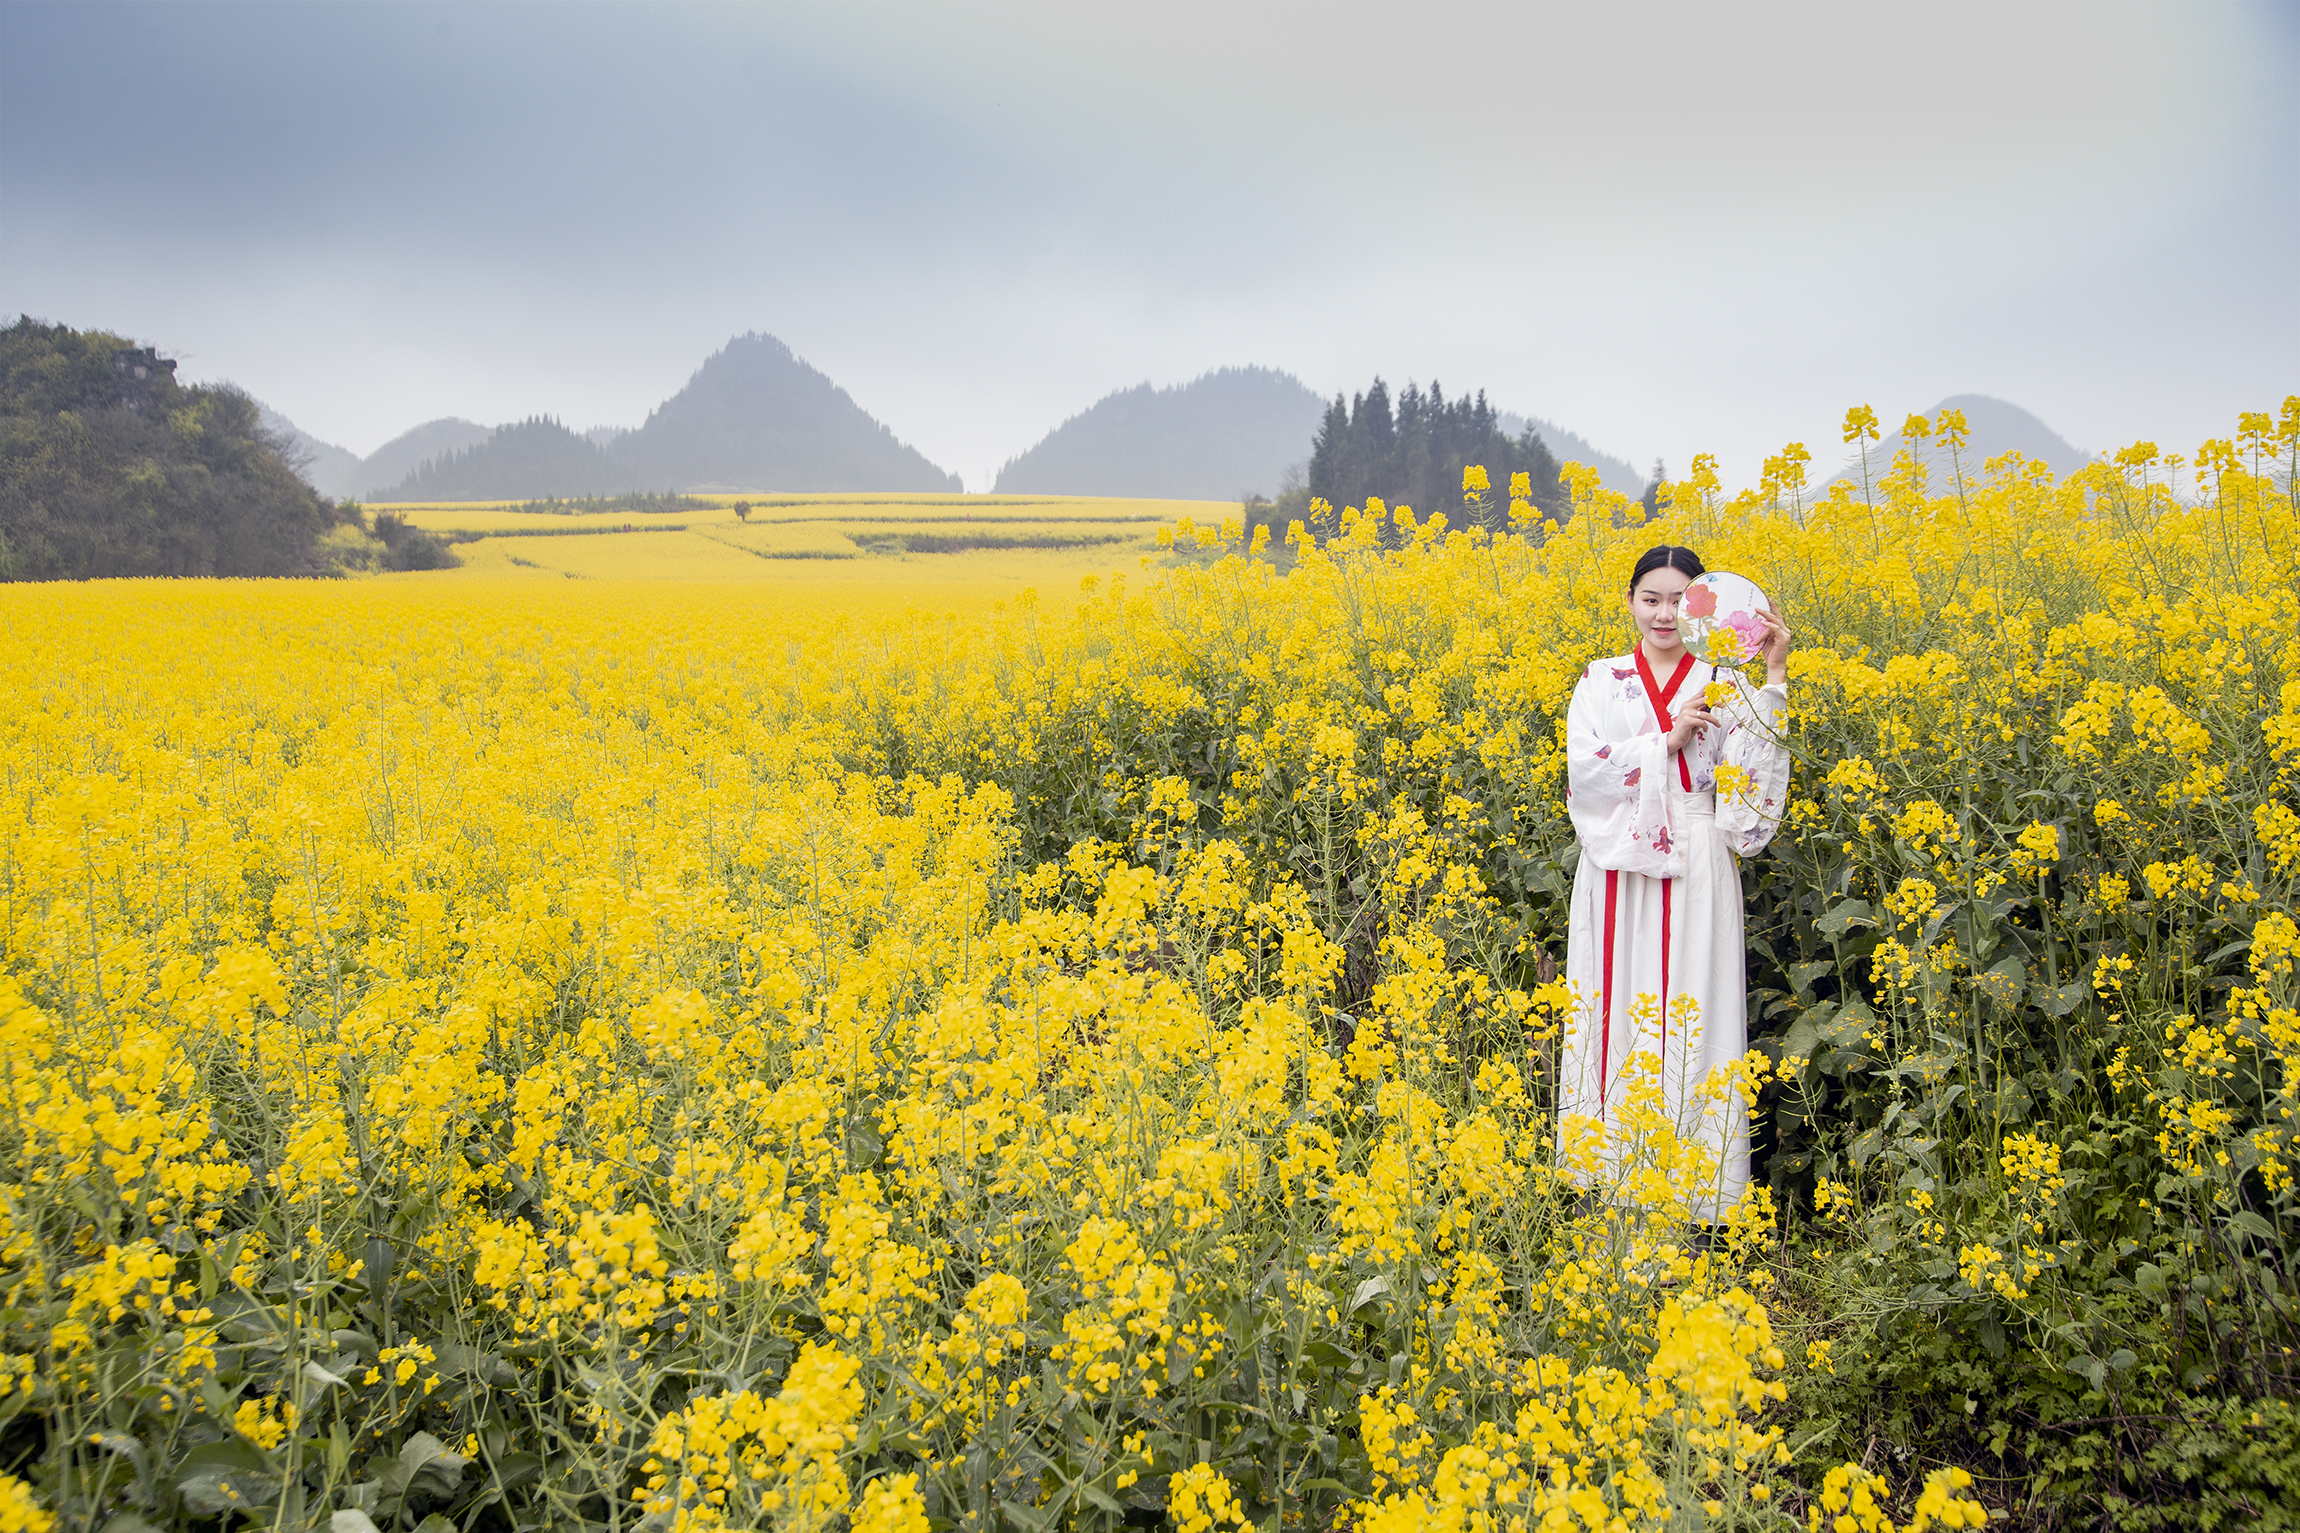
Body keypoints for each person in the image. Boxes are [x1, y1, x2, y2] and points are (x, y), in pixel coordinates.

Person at [1558, 544, 1792, 1219]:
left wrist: (1773, 673)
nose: (1664, 613)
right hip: (1618, 862)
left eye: (1678, 599)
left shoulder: (1726, 679)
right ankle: (1607, 1189)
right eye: (1650, 598)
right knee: (1614, 1006)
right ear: (1630, 601)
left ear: (1703, 605)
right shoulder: (1600, 679)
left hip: (1697, 855)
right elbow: (1584, 772)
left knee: (1695, 1007)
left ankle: (1691, 1199)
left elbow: (1749, 803)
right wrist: (1665, 739)